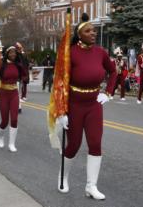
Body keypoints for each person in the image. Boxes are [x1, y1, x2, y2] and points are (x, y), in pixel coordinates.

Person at [55, 13, 117, 200]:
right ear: (79, 34)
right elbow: (59, 82)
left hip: (93, 105)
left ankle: (91, 186)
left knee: (96, 143)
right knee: (74, 145)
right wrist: (61, 111)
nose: (93, 33)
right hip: (74, 104)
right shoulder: (70, 52)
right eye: (88, 31)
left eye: (94, 30)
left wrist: (108, 93)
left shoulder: (100, 52)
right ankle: (63, 177)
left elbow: (113, 71)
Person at [0, 46, 24, 152]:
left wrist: (21, 57)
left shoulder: (18, 65)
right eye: (11, 53)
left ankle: (11, 144)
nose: (13, 54)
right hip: (3, 94)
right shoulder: (1, 66)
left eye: (14, 53)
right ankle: (0, 136)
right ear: (7, 53)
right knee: (5, 120)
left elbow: (25, 75)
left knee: (14, 119)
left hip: (14, 93)